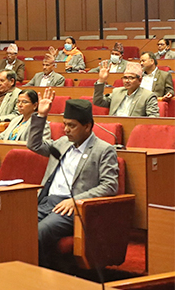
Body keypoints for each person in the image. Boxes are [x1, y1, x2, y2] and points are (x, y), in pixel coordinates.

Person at [27, 94, 118, 272]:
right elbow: (34, 145)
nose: (66, 130)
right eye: (65, 124)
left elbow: (110, 185)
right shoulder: (62, 142)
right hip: (46, 201)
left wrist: (76, 200)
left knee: (39, 232)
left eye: (72, 126)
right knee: (16, 226)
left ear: (87, 126)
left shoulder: (104, 150)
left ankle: (41, 278)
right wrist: (41, 116)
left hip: (72, 207)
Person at [93, 61, 159, 117]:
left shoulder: (147, 96)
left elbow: (153, 118)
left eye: (131, 78)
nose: (127, 81)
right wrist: (101, 80)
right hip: (113, 126)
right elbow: (98, 101)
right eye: (125, 78)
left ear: (140, 80)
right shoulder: (117, 92)